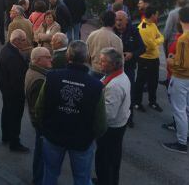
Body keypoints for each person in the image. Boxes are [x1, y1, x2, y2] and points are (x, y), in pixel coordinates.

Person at [35, 41, 107, 185]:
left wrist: (44, 129)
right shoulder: (96, 85)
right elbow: (100, 122)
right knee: (82, 178)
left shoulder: (52, 77)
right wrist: (92, 137)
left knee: (50, 173)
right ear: (87, 58)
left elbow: (39, 108)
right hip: (81, 141)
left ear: (68, 56)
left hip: (53, 136)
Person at [94, 48, 131, 185]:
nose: (99, 63)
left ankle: (105, 181)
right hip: (118, 125)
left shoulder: (115, 85)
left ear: (114, 64)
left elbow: (108, 114)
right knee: (112, 158)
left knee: (105, 159)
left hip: (111, 129)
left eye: (103, 61)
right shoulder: (115, 75)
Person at [163, 7, 189, 154]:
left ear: (180, 19)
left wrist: (170, 61)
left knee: (179, 111)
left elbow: (182, 64)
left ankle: (182, 143)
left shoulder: (183, 39)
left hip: (181, 78)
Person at [0, 29, 30, 152]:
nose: (25, 42)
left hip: (6, 90)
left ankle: (6, 136)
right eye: (22, 40)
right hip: (14, 93)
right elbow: (17, 78)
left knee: (6, 113)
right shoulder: (12, 56)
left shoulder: (6, 50)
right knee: (15, 116)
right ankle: (14, 142)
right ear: (15, 40)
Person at [25, 47, 52, 185]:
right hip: (41, 123)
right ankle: (38, 180)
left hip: (37, 121)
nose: (50, 58)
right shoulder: (40, 79)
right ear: (37, 60)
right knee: (41, 153)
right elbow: (39, 107)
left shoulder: (35, 71)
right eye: (47, 57)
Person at [114, 10, 145, 128]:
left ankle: (129, 118)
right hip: (114, 67)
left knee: (129, 93)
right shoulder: (112, 30)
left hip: (129, 67)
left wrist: (132, 54)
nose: (118, 22)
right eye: (116, 20)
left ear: (126, 21)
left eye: (120, 20)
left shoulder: (133, 31)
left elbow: (142, 48)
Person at [135, 6, 164, 112]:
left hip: (155, 59)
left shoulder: (153, 25)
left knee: (154, 82)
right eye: (156, 14)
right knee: (141, 82)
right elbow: (151, 46)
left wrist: (155, 41)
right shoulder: (143, 28)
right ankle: (137, 103)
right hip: (145, 59)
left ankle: (152, 102)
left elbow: (161, 37)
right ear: (152, 15)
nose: (157, 16)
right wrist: (156, 41)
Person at [86, 11, 123, 79]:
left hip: (93, 71)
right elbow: (120, 62)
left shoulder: (92, 35)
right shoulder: (116, 39)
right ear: (114, 22)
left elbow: (87, 55)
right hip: (108, 75)